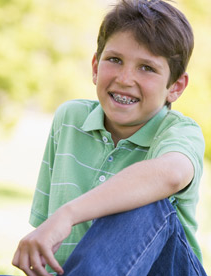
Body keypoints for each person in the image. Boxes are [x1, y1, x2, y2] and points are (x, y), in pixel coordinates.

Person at [12, 0, 207, 275]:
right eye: (115, 60)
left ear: (175, 87)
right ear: (95, 66)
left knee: (146, 199)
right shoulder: (70, 120)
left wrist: (69, 213)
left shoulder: (179, 132)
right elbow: (46, 232)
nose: (125, 78)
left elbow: (172, 173)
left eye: (147, 68)